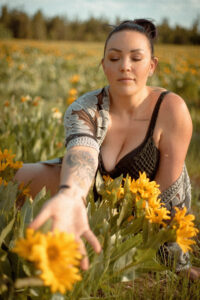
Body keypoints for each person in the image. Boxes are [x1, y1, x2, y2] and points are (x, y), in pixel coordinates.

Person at [15, 19, 200, 279]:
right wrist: (71, 195)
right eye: (114, 58)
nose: (124, 66)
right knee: (11, 177)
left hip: (144, 219)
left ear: (152, 65)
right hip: (90, 197)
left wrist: (177, 263)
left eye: (136, 58)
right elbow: (82, 152)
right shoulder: (84, 108)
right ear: (104, 66)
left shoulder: (171, 109)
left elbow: (167, 196)